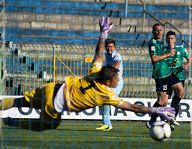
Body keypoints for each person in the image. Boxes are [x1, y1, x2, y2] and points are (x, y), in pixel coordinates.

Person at [0, 17, 176, 131]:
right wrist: (156, 110)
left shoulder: (94, 73)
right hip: (54, 103)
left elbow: (98, 54)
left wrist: (103, 34)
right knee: (50, 124)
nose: (118, 79)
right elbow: (133, 107)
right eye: (116, 79)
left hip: (52, 88)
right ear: (108, 82)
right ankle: (10, 123)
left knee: (20, 101)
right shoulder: (106, 94)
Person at [147, 23, 177, 128]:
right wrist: (168, 54)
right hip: (160, 74)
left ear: (163, 31)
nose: (159, 32)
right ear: (153, 32)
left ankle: (162, 121)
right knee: (161, 100)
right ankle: (152, 120)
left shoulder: (161, 43)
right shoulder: (153, 43)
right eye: (156, 30)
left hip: (166, 73)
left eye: (161, 30)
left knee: (164, 101)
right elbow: (154, 59)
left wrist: (171, 61)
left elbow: (164, 58)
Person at [165, 30, 192, 130]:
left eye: (172, 38)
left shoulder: (181, 49)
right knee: (166, 99)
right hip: (168, 76)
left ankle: (171, 119)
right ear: (165, 39)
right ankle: (163, 118)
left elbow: (189, 59)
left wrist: (186, 64)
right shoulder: (163, 50)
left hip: (180, 77)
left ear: (175, 39)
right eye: (168, 38)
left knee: (177, 97)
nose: (170, 40)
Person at [96, 38, 123, 131]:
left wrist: (111, 70)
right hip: (109, 83)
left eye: (111, 47)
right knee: (102, 100)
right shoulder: (106, 55)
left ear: (114, 47)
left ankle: (107, 124)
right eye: (107, 47)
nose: (109, 48)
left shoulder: (116, 55)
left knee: (106, 99)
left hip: (117, 83)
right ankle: (105, 123)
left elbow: (117, 63)